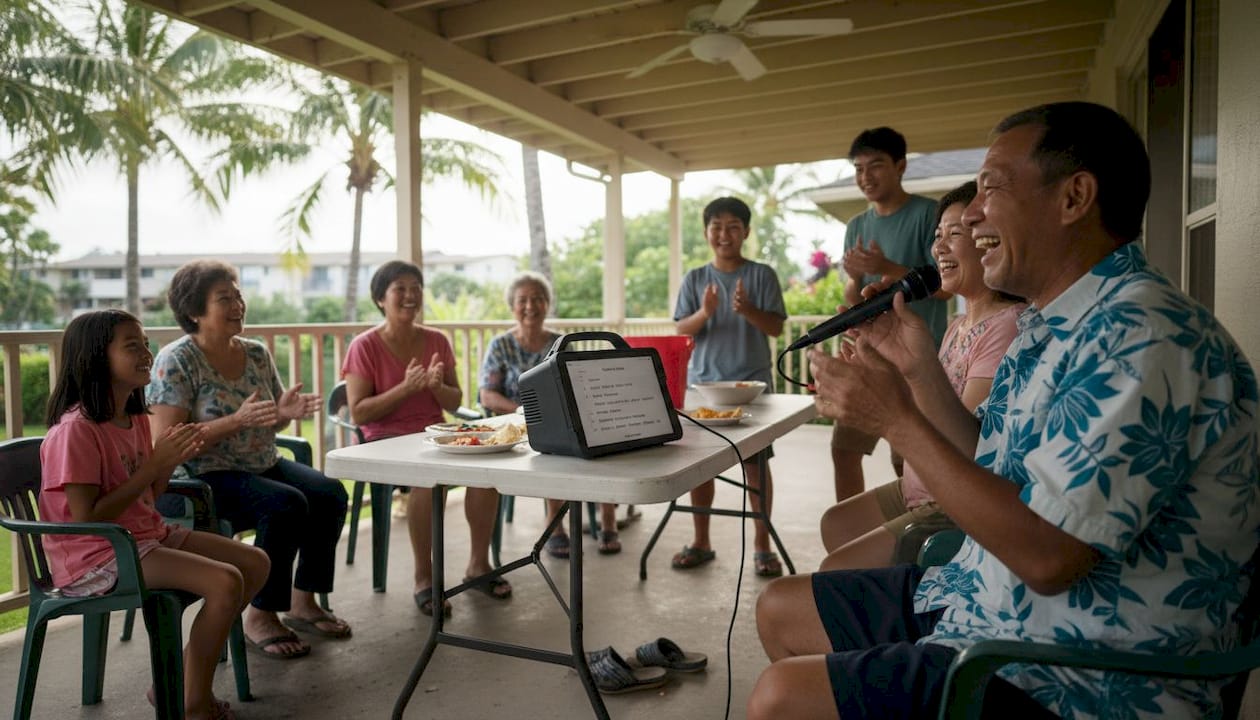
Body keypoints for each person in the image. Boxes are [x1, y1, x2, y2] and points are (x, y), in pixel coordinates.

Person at [748, 102, 1260, 719]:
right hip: (988, 601)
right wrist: (917, 368)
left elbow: (1050, 559)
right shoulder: (1057, 321)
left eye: (992, 187)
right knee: (780, 606)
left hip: (1079, 669)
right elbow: (988, 464)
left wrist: (897, 422)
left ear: (1074, 198)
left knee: (781, 698)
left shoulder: (1144, 337)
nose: (974, 213)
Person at [41, 309, 271, 720]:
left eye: (145, 343)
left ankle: (177, 679)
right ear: (95, 356)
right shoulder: (76, 430)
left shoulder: (132, 419)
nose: (147, 352)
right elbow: (86, 518)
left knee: (254, 562)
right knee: (224, 582)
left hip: (145, 537)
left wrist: (166, 463)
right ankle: (194, 702)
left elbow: (146, 496)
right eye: (132, 345)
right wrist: (153, 466)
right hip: (98, 556)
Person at [149, 260, 351, 661]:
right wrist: (234, 421)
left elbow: (266, 420)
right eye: (225, 297)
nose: (238, 303)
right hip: (204, 477)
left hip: (260, 461)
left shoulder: (256, 353)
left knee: (328, 492)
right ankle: (260, 613)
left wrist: (284, 412)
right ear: (194, 311)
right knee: (285, 503)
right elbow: (165, 442)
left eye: (238, 294)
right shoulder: (178, 360)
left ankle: (302, 600)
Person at [818, 181, 1024, 571]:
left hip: (950, 496)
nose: (939, 248)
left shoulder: (1006, 326)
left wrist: (889, 408)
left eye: (956, 234)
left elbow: (968, 444)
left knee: (835, 571)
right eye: (937, 236)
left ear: (988, 241)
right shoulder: (957, 325)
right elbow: (927, 399)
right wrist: (878, 373)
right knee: (836, 523)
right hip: (920, 483)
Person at [343, 260, 508, 617]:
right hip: (384, 441)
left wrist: (436, 386)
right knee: (427, 483)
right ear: (380, 299)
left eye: (415, 287)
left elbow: (455, 401)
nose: (410, 295)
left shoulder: (436, 340)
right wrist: (405, 389)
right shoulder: (364, 346)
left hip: (434, 435)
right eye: (399, 288)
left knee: (486, 473)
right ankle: (423, 578)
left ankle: (478, 566)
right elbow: (359, 413)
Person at [832, 126, 950, 504]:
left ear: (900, 166)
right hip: (869, 357)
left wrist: (887, 266)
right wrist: (853, 280)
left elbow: (948, 286)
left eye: (876, 166)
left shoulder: (928, 214)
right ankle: (850, 527)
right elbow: (855, 299)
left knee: (910, 458)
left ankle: (909, 533)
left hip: (918, 359)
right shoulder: (856, 226)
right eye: (859, 168)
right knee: (844, 449)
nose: (866, 177)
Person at [672, 196, 787, 577]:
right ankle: (701, 541)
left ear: (746, 232)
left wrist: (748, 310)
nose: (724, 234)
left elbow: (775, 327)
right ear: (707, 233)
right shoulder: (694, 279)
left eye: (733, 226)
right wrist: (705, 312)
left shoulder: (762, 275)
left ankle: (761, 545)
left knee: (756, 465)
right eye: (717, 226)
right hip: (704, 389)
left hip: (752, 389)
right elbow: (681, 330)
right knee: (702, 467)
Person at [478, 271, 623, 557]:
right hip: (516, 423)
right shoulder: (501, 345)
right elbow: (488, 395)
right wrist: (524, 409)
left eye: (538, 299)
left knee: (602, 434)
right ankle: (555, 525)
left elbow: (579, 384)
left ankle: (608, 516)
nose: (530, 306)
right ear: (512, 306)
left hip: (560, 419)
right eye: (523, 300)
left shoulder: (561, 344)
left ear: (547, 304)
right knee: (553, 446)